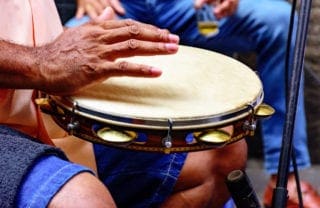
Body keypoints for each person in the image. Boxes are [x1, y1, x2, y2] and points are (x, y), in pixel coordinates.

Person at [58, 0, 320, 207]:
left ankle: (285, 180)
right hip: (119, 6)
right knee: (69, 48)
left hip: (188, 5)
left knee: (280, 20)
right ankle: (79, 180)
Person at [0, 1, 247, 208]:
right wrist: (40, 61)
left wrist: (62, 41)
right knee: (81, 200)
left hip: (39, 98)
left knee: (219, 150)